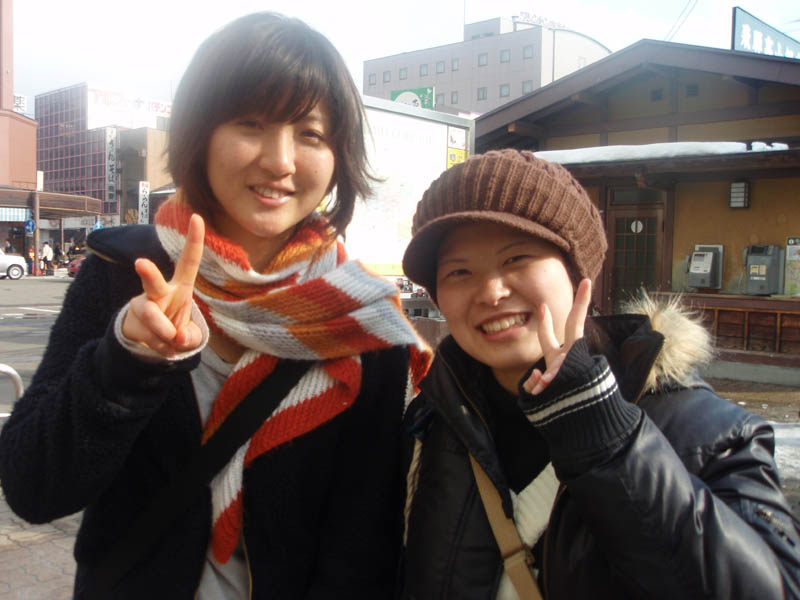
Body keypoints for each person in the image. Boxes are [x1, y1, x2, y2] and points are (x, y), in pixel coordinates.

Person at [0, 13, 431, 599]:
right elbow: (33, 488)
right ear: (201, 134)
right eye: (251, 123)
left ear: (338, 155)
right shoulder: (124, 276)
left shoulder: (363, 323)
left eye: (310, 134)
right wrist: (126, 362)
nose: (280, 161)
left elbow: (362, 554)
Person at [398, 149, 800, 599]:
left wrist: (604, 436)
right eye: (459, 271)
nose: (491, 292)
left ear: (578, 277)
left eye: (517, 259)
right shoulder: (432, 425)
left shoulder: (702, 431)